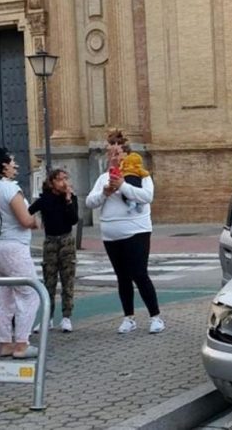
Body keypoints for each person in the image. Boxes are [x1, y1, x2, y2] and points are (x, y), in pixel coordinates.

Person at [86, 130, 165, 334]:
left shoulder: (141, 175)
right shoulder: (103, 178)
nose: (115, 158)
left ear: (127, 154)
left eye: (118, 154)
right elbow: (90, 201)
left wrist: (123, 186)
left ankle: (155, 316)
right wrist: (105, 192)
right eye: (111, 155)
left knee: (139, 274)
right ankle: (128, 317)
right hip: (111, 234)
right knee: (122, 277)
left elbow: (146, 196)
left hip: (136, 231)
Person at [0, 146, 40, 359]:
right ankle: (22, 343)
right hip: (13, 247)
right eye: (12, 162)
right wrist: (34, 222)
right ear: (3, 165)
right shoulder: (10, 188)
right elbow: (24, 219)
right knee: (29, 293)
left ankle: (4, 342)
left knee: (3, 295)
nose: (16, 166)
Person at [29, 169, 79, 333]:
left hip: (66, 240)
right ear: (51, 183)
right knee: (49, 280)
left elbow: (73, 220)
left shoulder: (71, 198)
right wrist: (32, 223)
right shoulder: (45, 199)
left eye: (66, 179)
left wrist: (68, 200)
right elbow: (29, 211)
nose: (64, 183)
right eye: (60, 180)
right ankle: (47, 318)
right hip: (50, 241)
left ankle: (66, 317)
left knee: (67, 279)